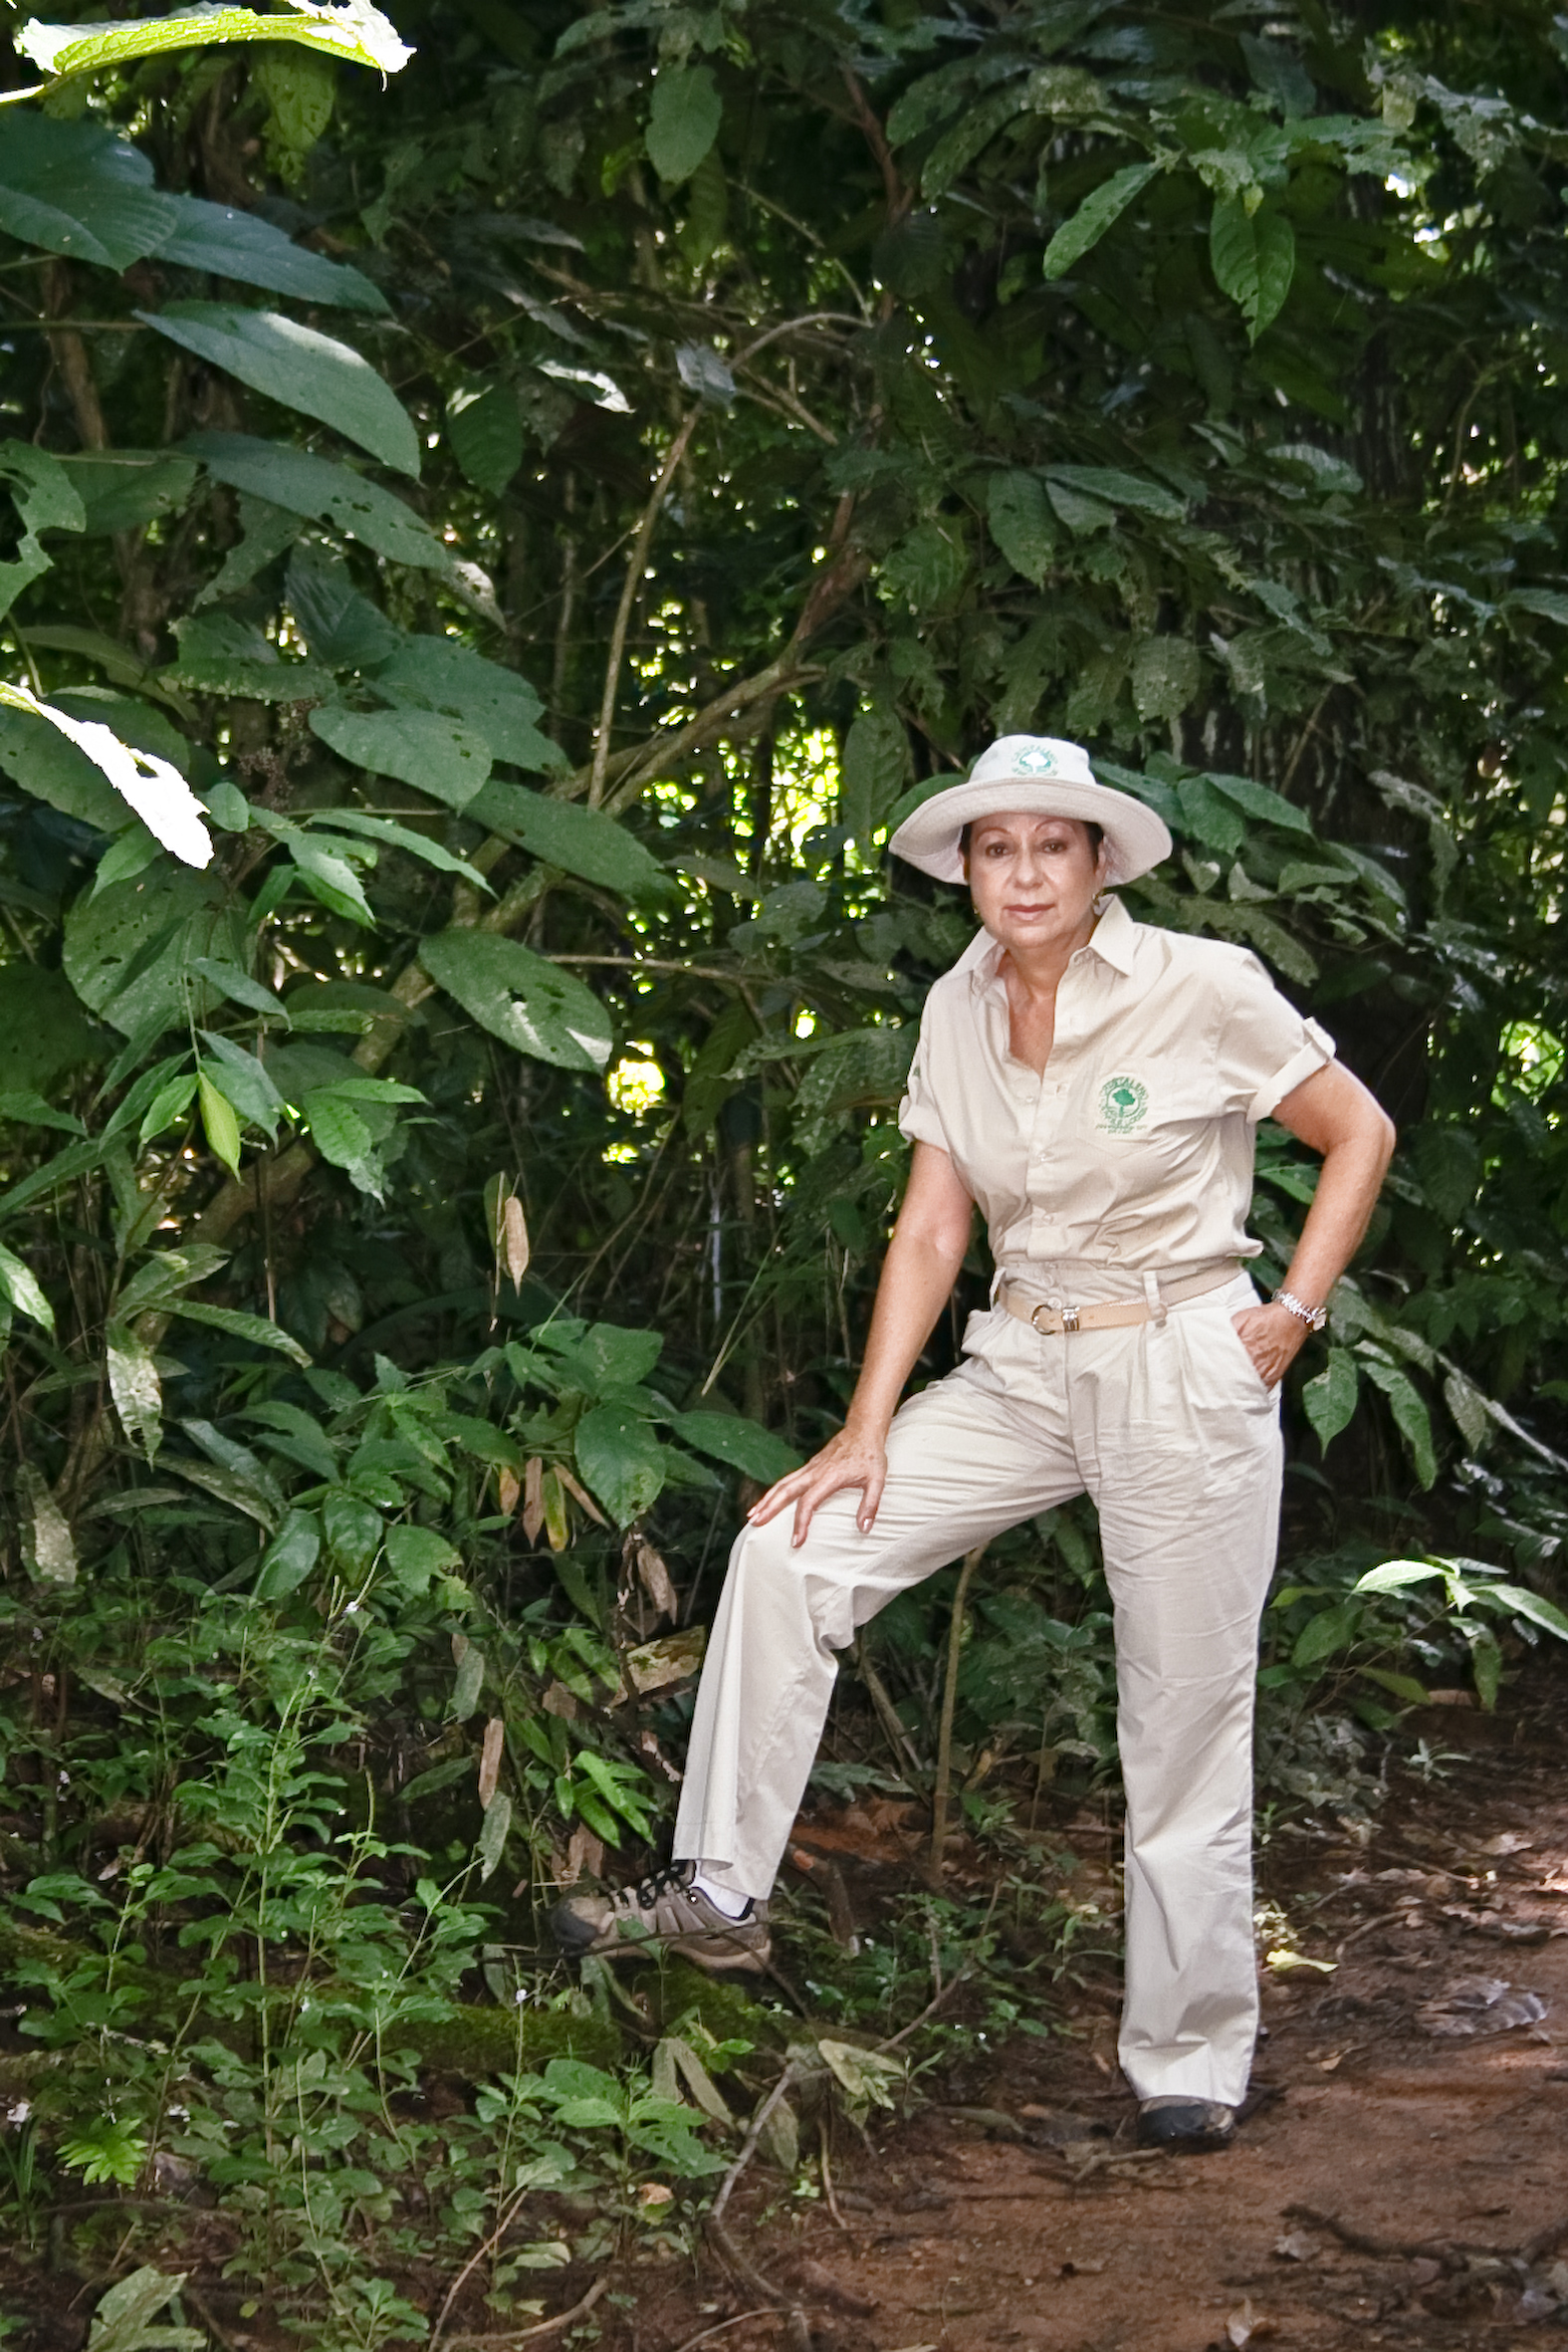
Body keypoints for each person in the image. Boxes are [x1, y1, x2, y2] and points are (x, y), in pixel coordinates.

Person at [553, 735, 1396, 2153]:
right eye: (996, 848)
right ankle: (719, 1890)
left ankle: (1190, 2056)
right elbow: (936, 1224)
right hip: (1022, 1360)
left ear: (1099, 859)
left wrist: (1295, 1310)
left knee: (1180, 1716)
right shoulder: (956, 1005)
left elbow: (1356, 1129)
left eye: (1052, 844)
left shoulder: (1200, 983)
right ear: (964, 869)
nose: (1025, 873)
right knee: (792, 1544)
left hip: (1179, 1361)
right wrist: (865, 1427)